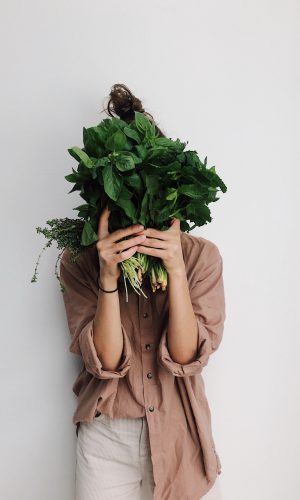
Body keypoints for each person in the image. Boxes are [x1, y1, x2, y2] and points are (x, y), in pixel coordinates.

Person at [59, 84, 226, 500]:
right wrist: (109, 276)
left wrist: (174, 268)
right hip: (106, 438)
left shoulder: (200, 257)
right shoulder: (79, 261)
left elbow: (187, 358)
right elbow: (107, 362)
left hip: (178, 431)